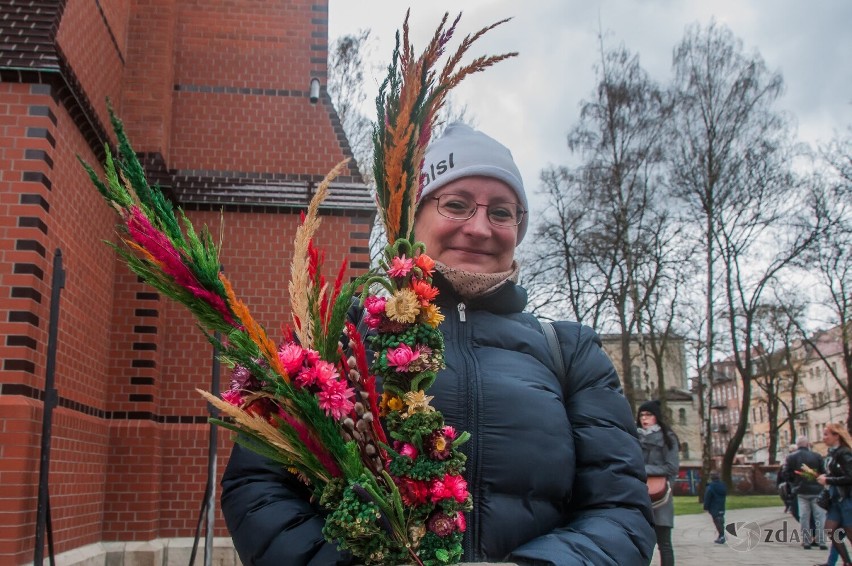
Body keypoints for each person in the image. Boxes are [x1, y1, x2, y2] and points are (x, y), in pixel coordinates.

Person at [220, 123, 656, 565]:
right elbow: (259, 487)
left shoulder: (569, 350)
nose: (481, 228)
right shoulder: (338, 338)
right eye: (457, 205)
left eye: (502, 212)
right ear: (414, 217)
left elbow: (620, 509)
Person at [637, 399, 680, 566]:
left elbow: (671, 468)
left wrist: (643, 468)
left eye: (649, 414)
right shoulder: (634, 436)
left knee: (664, 544)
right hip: (639, 494)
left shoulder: (668, 438)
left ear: (657, 417)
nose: (644, 418)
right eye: (641, 415)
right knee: (638, 543)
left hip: (661, 496)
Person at [816, 423, 852, 566]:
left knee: (849, 531)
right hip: (835, 499)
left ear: (836, 436)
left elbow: (850, 477)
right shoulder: (832, 453)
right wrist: (826, 477)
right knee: (831, 530)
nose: (823, 438)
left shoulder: (845, 453)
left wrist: (828, 479)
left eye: (826, 434)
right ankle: (847, 562)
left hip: (847, 498)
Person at [784, 435, 827, 549]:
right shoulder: (817, 456)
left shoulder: (791, 457)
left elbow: (786, 473)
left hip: (801, 490)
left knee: (804, 516)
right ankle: (821, 541)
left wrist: (795, 482)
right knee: (820, 516)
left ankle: (806, 541)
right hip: (817, 489)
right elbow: (823, 472)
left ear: (797, 445)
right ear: (808, 444)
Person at [704, 471, 727, 544]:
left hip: (713, 506)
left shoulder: (710, 487)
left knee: (717, 521)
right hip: (721, 505)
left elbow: (707, 497)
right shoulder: (723, 485)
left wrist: (706, 507)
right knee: (720, 520)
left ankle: (721, 536)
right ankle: (721, 535)